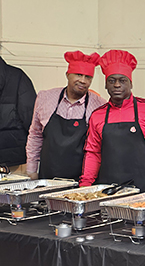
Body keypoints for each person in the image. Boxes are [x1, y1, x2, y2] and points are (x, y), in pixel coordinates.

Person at [80, 50, 145, 193]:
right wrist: (85, 186)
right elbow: (93, 153)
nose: (117, 85)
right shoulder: (97, 115)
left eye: (122, 80)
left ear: (131, 84)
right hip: (109, 191)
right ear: (106, 85)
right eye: (111, 81)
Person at [26, 51, 106, 180]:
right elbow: (35, 135)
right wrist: (32, 170)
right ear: (68, 75)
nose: (83, 81)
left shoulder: (99, 104)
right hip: (47, 177)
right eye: (78, 75)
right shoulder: (45, 98)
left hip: (81, 180)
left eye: (88, 77)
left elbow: (99, 147)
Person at [0, 56, 36, 170]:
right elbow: (31, 118)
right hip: (15, 157)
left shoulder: (18, 77)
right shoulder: (18, 77)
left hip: (14, 159)